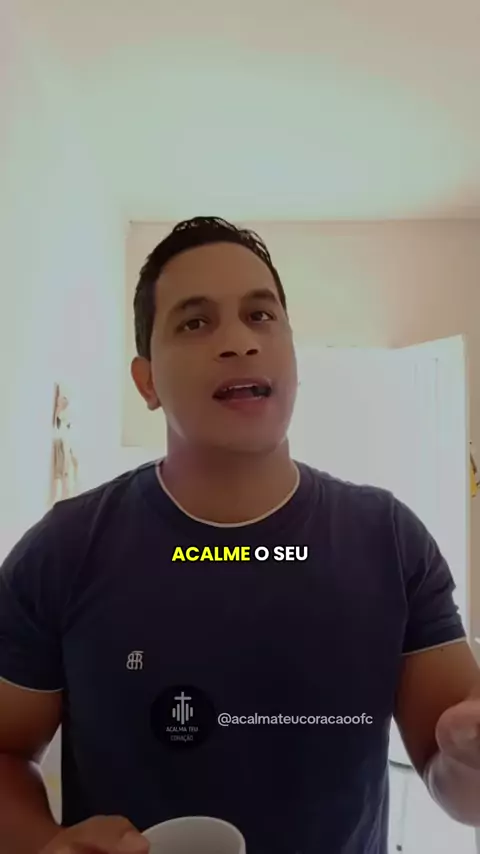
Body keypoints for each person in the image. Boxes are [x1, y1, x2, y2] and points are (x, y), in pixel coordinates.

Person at [0, 216, 480, 854]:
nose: (238, 342)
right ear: (146, 381)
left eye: (260, 316)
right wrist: (43, 844)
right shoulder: (64, 549)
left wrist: (467, 755)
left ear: (291, 355)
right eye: (195, 322)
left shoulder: (390, 541)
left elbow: (457, 781)